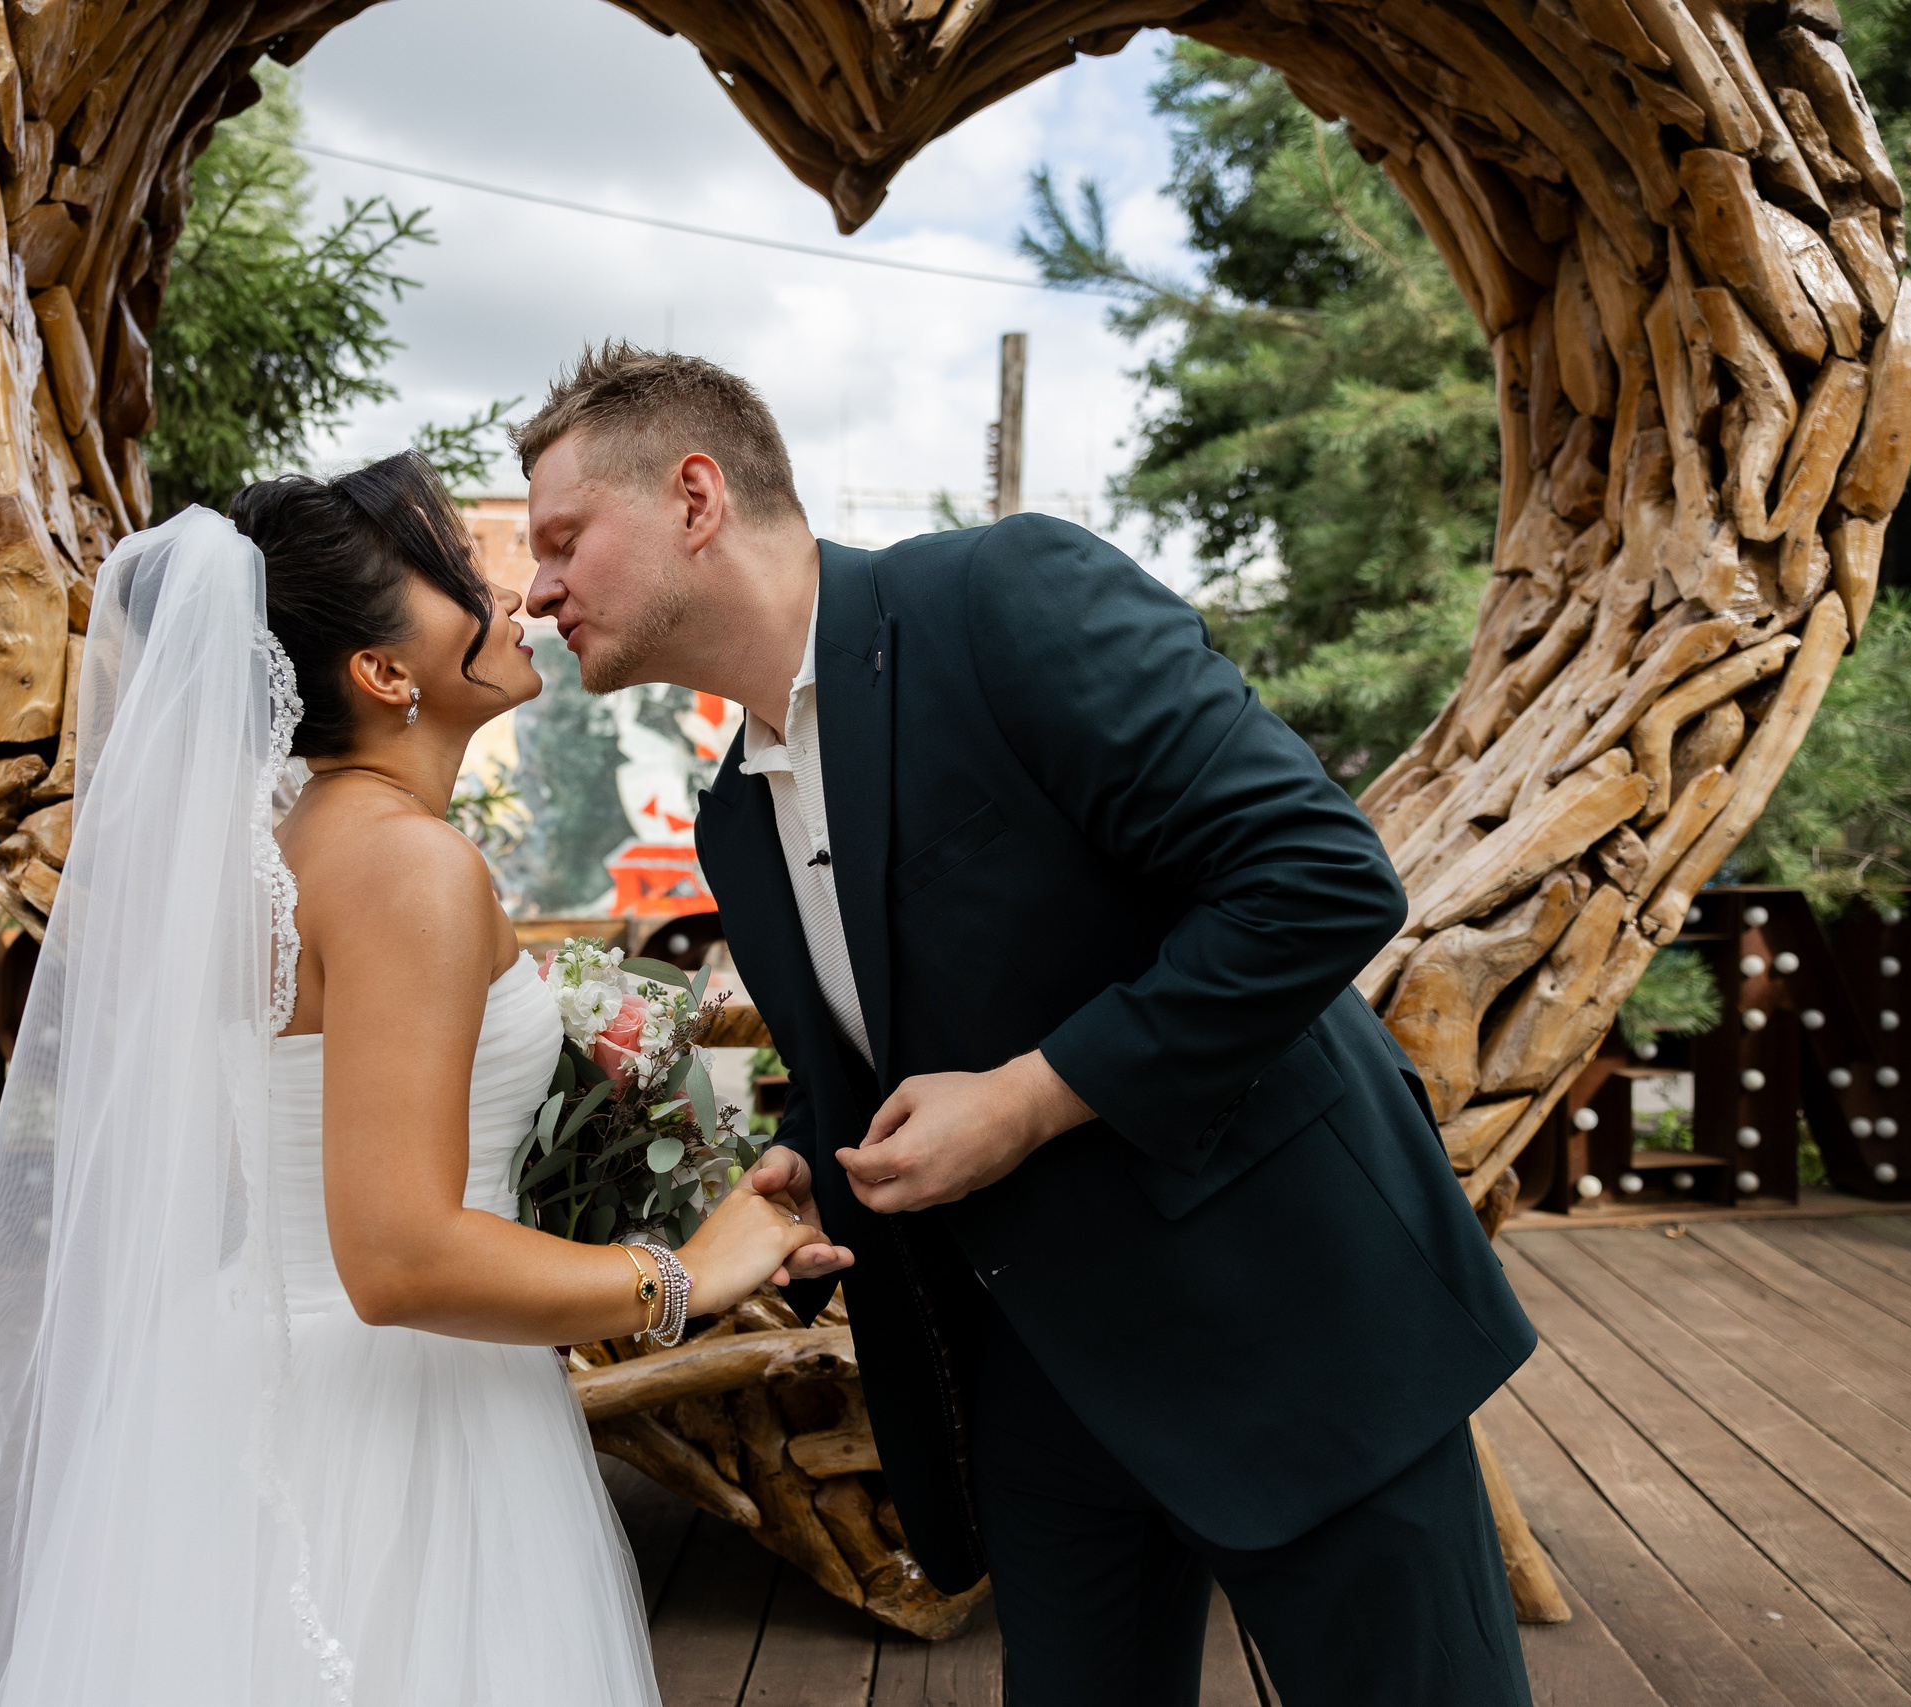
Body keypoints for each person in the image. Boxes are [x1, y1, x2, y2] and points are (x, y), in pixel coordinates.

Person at [517, 344, 1540, 1707]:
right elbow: (869, 1055)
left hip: (1294, 1327)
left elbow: (1318, 877)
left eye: (562, 540)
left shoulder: (1004, 597)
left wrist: (1031, 1094)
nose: (536, 589)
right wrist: (811, 1161)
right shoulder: (733, 820)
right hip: (1033, 1388)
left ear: (694, 498)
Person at [0, 453, 835, 1707]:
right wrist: (683, 1276)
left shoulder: (290, 853)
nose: (512, 596)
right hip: (394, 1427)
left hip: (250, 1385)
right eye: (462, 576)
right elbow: (396, 1258)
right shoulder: (404, 868)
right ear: (384, 674)